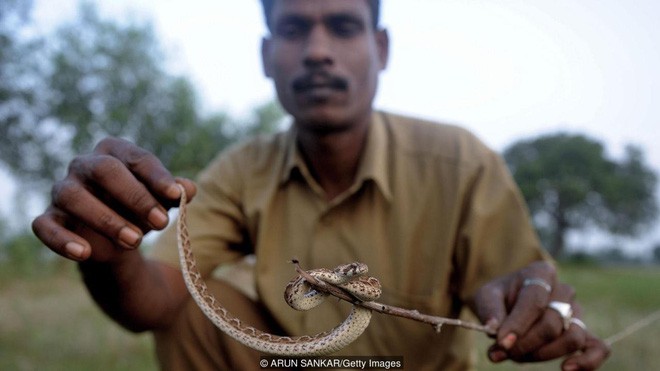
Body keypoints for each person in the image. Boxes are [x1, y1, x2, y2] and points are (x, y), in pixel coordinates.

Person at [32, 0, 610, 370]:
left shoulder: (461, 162)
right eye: (293, 29)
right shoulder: (239, 171)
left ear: (380, 49)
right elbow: (155, 301)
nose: (316, 52)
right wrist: (111, 258)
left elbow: (526, 287)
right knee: (194, 310)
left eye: (342, 26)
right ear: (267, 55)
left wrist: (539, 310)